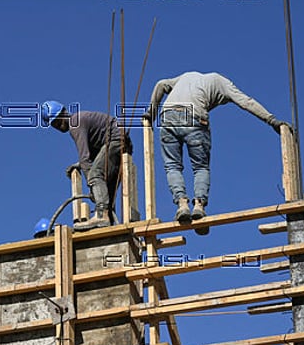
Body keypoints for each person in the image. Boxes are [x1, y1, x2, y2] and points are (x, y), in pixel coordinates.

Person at [143, 72, 288, 235]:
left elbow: (161, 83)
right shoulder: (222, 83)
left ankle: (182, 205)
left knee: (172, 166)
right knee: (200, 168)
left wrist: (151, 113)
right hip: (194, 116)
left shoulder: (187, 77)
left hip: (167, 116)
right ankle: (199, 205)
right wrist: (272, 120)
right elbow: (246, 102)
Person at [42, 101, 132, 231]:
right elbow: (93, 155)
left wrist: (92, 186)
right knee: (106, 191)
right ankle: (108, 222)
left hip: (116, 141)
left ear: (63, 113)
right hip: (118, 143)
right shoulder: (78, 121)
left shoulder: (75, 124)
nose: (58, 126)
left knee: (95, 175)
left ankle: (102, 215)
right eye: (54, 125)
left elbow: (85, 158)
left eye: (57, 122)